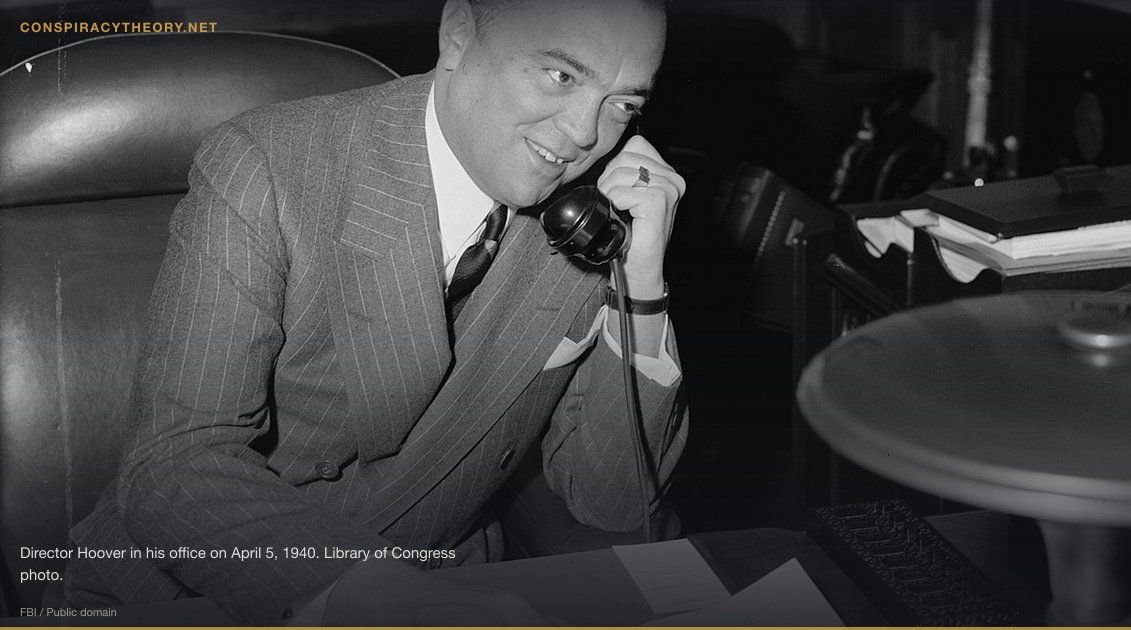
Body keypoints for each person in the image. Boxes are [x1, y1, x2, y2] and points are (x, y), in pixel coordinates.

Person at [64, 0, 687, 624]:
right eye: (562, 76)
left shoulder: (591, 215)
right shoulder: (269, 164)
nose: (586, 133)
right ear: (459, 37)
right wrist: (382, 592)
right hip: (213, 581)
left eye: (624, 104)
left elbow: (614, 504)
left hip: (445, 578)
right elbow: (176, 461)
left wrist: (640, 283)